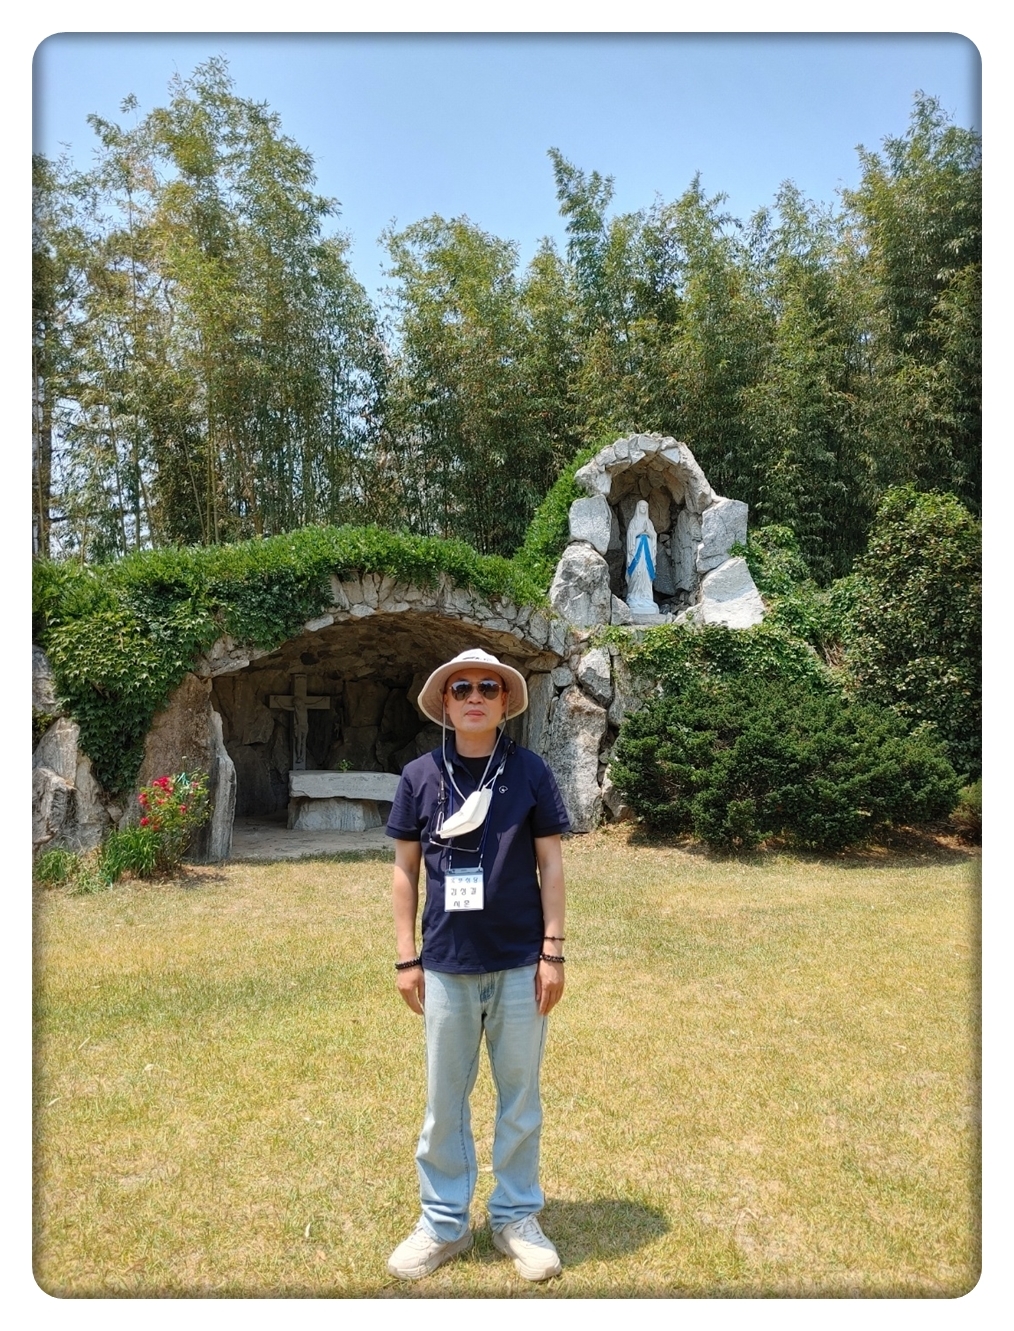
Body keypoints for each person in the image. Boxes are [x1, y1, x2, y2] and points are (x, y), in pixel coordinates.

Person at [385, 647, 570, 1282]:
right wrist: (406, 958)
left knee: (520, 1100)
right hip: (446, 963)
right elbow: (404, 872)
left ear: (504, 701)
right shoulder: (420, 776)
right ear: (444, 701)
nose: (474, 697)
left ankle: (516, 1217)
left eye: (488, 687)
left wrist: (552, 951)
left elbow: (551, 864)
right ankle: (443, 1224)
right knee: (444, 1103)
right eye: (460, 687)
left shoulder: (530, 772)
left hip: (520, 962)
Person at [625, 498, 657, 614]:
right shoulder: (633, 522)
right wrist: (640, 531)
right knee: (636, 572)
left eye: (645, 507)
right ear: (638, 508)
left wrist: (648, 532)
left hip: (647, 551)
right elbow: (630, 535)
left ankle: (647, 598)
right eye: (641, 507)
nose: (643, 509)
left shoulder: (649, 522)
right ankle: (634, 596)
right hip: (636, 550)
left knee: (646, 573)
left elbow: (654, 535)